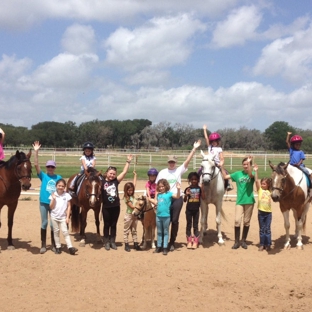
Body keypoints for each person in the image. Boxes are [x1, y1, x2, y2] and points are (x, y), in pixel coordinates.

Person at [156, 140, 201, 252]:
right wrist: (157, 200)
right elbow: (157, 187)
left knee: (174, 220)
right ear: (168, 162)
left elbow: (187, 161)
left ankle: (172, 242)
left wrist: (194, 149)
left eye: (173, 162)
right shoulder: (162, 172)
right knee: (165, 219)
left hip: (177, 198)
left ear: (175, 162)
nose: (172, 163)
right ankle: (162, 242)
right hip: (165, 198)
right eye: (170, 162)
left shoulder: (178, 170)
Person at [33, 141, 62, 254]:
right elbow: (36, 165)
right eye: (49, 166)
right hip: (44, 202)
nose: (50, 168)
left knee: (53, 224)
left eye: (52, 167)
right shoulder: (43, 176)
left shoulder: (58, 177)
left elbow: (61, 188)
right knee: (44, 222)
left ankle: (54, 245)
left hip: (54, 203)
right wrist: (36, 151)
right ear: (46, 167)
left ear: (54, 168)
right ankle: (43, 245)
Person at [220, 156, 255, 250]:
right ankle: (236, 242)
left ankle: (243, 241)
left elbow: (251, 175)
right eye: (244, 164)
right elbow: (225, 176)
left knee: (246, 222)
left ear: (250, 165)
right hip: (240, 201)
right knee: (237, 221)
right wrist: (222, 166)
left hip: (249, 201)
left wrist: (251, 162)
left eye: (247, 164)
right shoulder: (238, 174)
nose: (245, 166)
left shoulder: (252, 173)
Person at [102, 155, 133, 251]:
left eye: (114, 174)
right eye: (110, 173)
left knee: (114, 224)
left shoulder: (116, 181)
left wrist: (128, 161)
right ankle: (106, 241)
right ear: (107, 173)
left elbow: (124, 172)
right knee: (107, 224)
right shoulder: (101, 181)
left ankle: (112, 241)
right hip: (106, 207)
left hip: (115, 206)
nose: (112, 175)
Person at [148, 179, 181, 255]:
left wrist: (178, 189)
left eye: (162, 186)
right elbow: (156, 202)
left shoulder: (169, 194)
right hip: (158, 216)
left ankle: (165, 247)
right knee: (159, 232)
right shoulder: (159, 195)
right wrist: (149, 199)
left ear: (166, 186)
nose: (161, 188)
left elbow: (177, 196)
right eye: (159, 187)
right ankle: (159, 246)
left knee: (165, 232)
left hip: (166, 216)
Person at [49, 179, 77, 255]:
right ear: (56, 186)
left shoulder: (67, 195)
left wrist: (67, 217)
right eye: (59, 186)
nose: (61, 187)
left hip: (63, 217)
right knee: (56, 232)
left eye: (62, 186)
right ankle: (58, 247)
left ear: (64, 187)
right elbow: (51, 207)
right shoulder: (53, 194)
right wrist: (53, 199)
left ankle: (70, 247)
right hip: (54, 216)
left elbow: (69, 206)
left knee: (65, 232)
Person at [203, 124, 233, 191]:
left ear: (218, 142)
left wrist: (221, 163)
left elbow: (222, 158)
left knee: (225, 172)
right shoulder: (209, 147)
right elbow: (206, 138)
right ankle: (200, 183)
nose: (214, 143)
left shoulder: (219, 149)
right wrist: (204, 130)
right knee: (200, 170)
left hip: (216, 163)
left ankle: (228, 184)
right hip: (209, 163)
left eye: (215, 141)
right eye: (212, 141)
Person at [254, 164, 272, 251]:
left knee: (267, 229)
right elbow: (256, 181)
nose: (262, 185)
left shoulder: (270, 191)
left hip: (268, 213)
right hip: (261, 212)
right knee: (262, 229)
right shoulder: (260, 190)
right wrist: (256, 171)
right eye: (262, 183)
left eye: (264, 184)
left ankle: (268, 244)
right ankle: (262, 244)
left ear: (268, 185)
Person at [123, 171, 141, 252]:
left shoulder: (132, 195)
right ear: (126, 190)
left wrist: (135, 176)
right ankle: (126, 244)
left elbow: (134, 184)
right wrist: (139, 207)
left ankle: (135, 243)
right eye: (129, 190)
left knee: (134, 230)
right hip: (129, 215)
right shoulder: (126, 198)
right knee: (126, 230)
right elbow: (132, 206)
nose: (130, 191)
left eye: (131, 190)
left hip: (135, 215)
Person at [183, 172, 202, 249]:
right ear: (190, 180)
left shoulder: (199, 189)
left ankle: (196, 241)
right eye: (192, 179)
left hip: (196, 210)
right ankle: (189, 241)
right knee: (188, 225)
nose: (194, 181)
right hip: (189, 210)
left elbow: (203, 197)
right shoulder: (188, 189)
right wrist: (186, 194)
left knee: (195, 225)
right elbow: (184, 200)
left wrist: (203, 189)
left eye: (195, 179)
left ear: (198, 180)